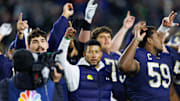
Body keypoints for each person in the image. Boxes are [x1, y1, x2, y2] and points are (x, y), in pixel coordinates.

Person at [0, 28, 64, 101]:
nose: (39, 45)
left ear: (47, 44)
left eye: (42, 41)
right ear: (28, 47)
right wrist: (56, 83)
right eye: (35, 42)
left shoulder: (6, 85)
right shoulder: (49, 84)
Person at [118, 25, 180, 101]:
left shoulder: (165, 59)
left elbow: (171, 92)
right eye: (157, 36)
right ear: (150, 40)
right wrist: (136, 39)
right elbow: (123, 66)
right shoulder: (139, 55)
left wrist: (164, 27)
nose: (161, 40)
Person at [55, 27, 115, 101]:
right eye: (90, 52)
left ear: (101, 54)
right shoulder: (76, 71)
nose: (94, 55)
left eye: (96, 52)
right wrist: (66, 39)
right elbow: (60, 60)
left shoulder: (107, 73)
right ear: (84, 54)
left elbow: (108, 97)